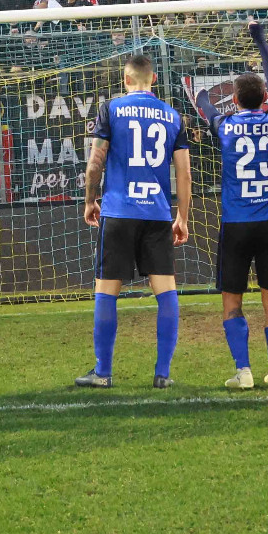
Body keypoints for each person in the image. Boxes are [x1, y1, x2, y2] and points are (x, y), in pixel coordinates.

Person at [76, 55, 190, 389]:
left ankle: (103, 372)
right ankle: (163, 374)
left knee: (106, 291)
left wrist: (90, 201)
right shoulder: (173, 116)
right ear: (153, 79)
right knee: (166, 292)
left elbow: (95, 163)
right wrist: (182, 217)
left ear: (126, 79)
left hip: (119, 211)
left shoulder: (111, 109)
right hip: (157, 214)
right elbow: (184, 173)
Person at [194, 23, 268, 390]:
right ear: (265, 97)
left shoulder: (226, 125)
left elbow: (206, 107)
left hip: (237, 223)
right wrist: (260, 40)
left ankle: (244, 372)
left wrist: (201, 95)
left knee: (231, 298)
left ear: (235, 100)